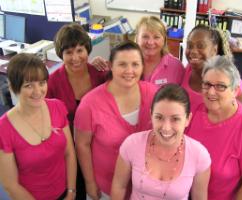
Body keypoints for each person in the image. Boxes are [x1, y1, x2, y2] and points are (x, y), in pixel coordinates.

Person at [74, 41, 157, 199]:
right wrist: (90, 183)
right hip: (107, 187)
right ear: (111, 65)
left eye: (135, 64)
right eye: (122, 64)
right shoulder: (90, 104)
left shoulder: (155, 95)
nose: (129, 71)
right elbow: (82, 145)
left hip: (145, 188)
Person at [186, 55, 242, 200]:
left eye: (220, 86)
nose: (211, 92)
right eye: (207, 84)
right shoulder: (195, 112)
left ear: (235, 91)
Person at [111, 84, 211, 200]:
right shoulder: (132, 144)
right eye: (159, 117)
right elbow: (119, 186)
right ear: (151, 115)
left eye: (175, 119)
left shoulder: (199, 155)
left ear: (187, 119)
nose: (166, 128)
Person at [0, 53, 76, 200]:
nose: (38, 91)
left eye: (41, 83)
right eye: (28, 85)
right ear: (15, 87)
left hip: (65, 192)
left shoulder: (57, 107)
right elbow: (10, 185)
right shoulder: (4, 129)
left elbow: (69, 153)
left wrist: (71, 192)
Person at [46, 23, 106, 200]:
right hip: (69, 151)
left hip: (98, 146)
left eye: (80, 50)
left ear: (88, 50)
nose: (76, 58)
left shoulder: (99, 74)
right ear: (60, 54)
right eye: (68, 53)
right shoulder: (52, 82)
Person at [92, 16, 185, 87]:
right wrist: (95, 66)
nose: (150, 42)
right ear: (137, 38)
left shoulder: (176, 66)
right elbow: (103, 80)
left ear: (164, 40)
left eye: (156, 37)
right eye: (145, 36)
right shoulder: (124, 60)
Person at [181, 24, 242, 114]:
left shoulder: (230, 80)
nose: (193, 51)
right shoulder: (187, 69)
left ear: (214, 50)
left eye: (200, 46)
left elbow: (237, 119)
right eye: (190, 46)